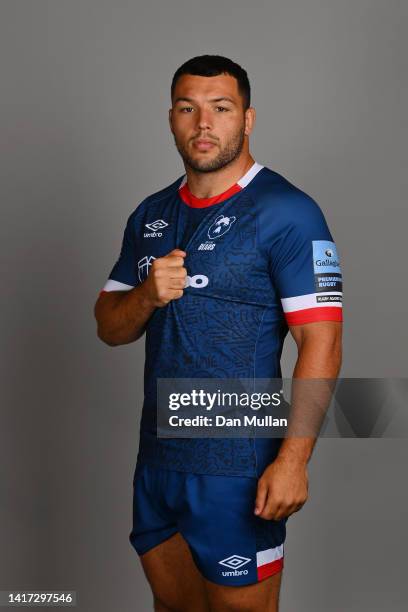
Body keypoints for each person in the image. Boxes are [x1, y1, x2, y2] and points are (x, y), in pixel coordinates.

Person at [94, 54, 343, 612]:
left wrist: (293, 461)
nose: (203, 123)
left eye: (221, 108)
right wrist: (145, 295)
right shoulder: (151, 215)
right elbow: (108, 326)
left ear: (247, 120)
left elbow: (321, 342)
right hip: (159, 462)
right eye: (188, 108)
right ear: (171, 119)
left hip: (238, 467)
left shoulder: (288, 212)